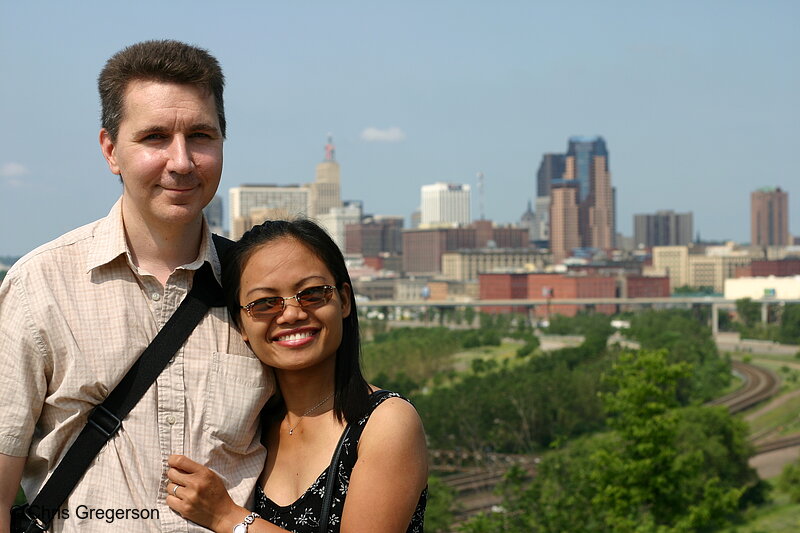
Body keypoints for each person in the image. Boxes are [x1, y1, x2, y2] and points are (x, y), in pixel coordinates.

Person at [0, 40, 272, 532]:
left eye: (201, 135)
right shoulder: (40, 287)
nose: (182, 161)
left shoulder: (258, 289)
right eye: (155, 137)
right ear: (111, 150)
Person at [164, 219, 428, 533]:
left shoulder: (385, 422)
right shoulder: (249, 426)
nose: (292, 314)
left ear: (343, 300)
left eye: (312, 294)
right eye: (264, 303)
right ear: (241, 325)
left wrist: (228, 517)